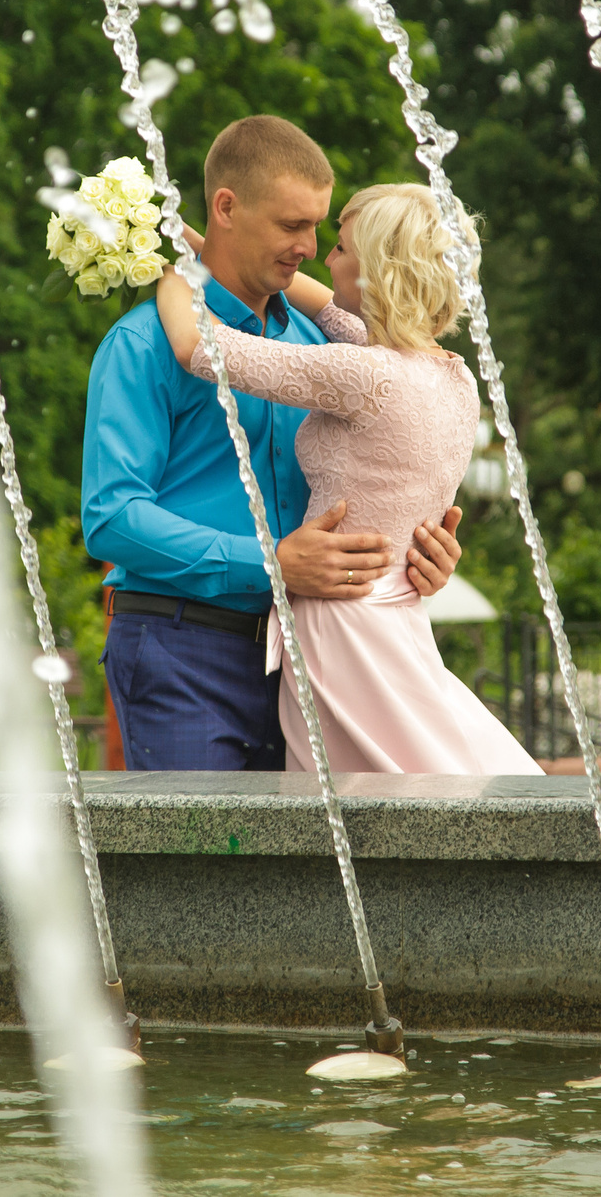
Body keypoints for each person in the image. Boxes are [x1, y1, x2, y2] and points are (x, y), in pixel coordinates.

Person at [82, 117, 466, 771]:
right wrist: (270, 563)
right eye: (293, 225)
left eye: (319, 227)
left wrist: (424, 553)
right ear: (227, 207)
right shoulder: (142, 344)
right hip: (184, 651)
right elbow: (111, 519)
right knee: (204, 870)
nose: (310, 247)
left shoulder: (326, 347)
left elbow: (376, 471)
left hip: (315, 661)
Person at [150, 182, 541, 777]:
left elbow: (197, 348)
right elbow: (321, 304)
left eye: (340, 248)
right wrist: (205, 244)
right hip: (393, 614)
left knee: (361, 803)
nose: (322, 258)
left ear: (376, 271)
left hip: (343, 626)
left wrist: (161, 263)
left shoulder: (363, 373)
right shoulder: (452, 376)